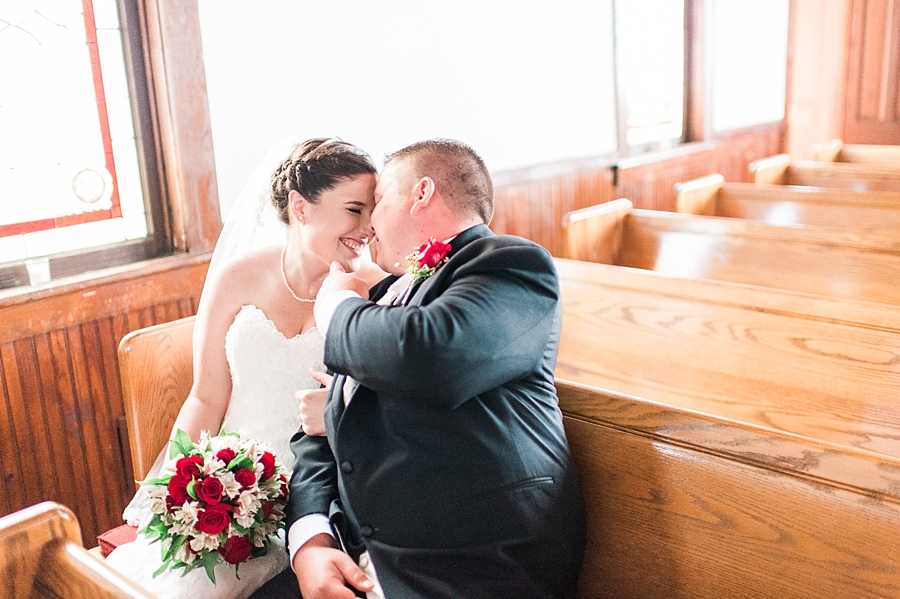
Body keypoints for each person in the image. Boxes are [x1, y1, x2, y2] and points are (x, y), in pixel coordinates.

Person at [285, 139, 586, 599]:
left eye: (379, 201)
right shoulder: (385, 300)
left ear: (421, 193)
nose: (368, 227)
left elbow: (431, 356)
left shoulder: (510, 264)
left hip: (468, 572)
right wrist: (311, 539)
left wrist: (335, 305)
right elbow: (322, 429)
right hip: (359, 561)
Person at [104, 137, 385, 599]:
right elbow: (206, 396)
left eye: (372, 212)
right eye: (354, 209)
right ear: (300, 207)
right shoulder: (237, 276)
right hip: (226, 481)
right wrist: (180, 487)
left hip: (317, 487)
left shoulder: (377, 291)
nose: (367, 227)